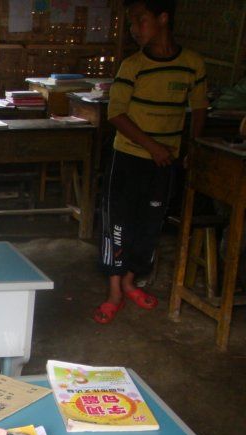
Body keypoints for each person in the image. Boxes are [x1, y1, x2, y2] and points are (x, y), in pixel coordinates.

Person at [94, 0, 207, 324]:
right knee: (118, 225)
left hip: (164, 162)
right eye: (132, 23)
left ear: (163, 18)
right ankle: (114, 292)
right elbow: (116, 113)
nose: (134, 29)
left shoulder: (192, 64)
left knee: (149, 225)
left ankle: (130, 282)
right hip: (128, 159)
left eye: (140, 20)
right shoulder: (132, 66)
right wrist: (153, 147)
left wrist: (193, 147)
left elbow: (199, 107)